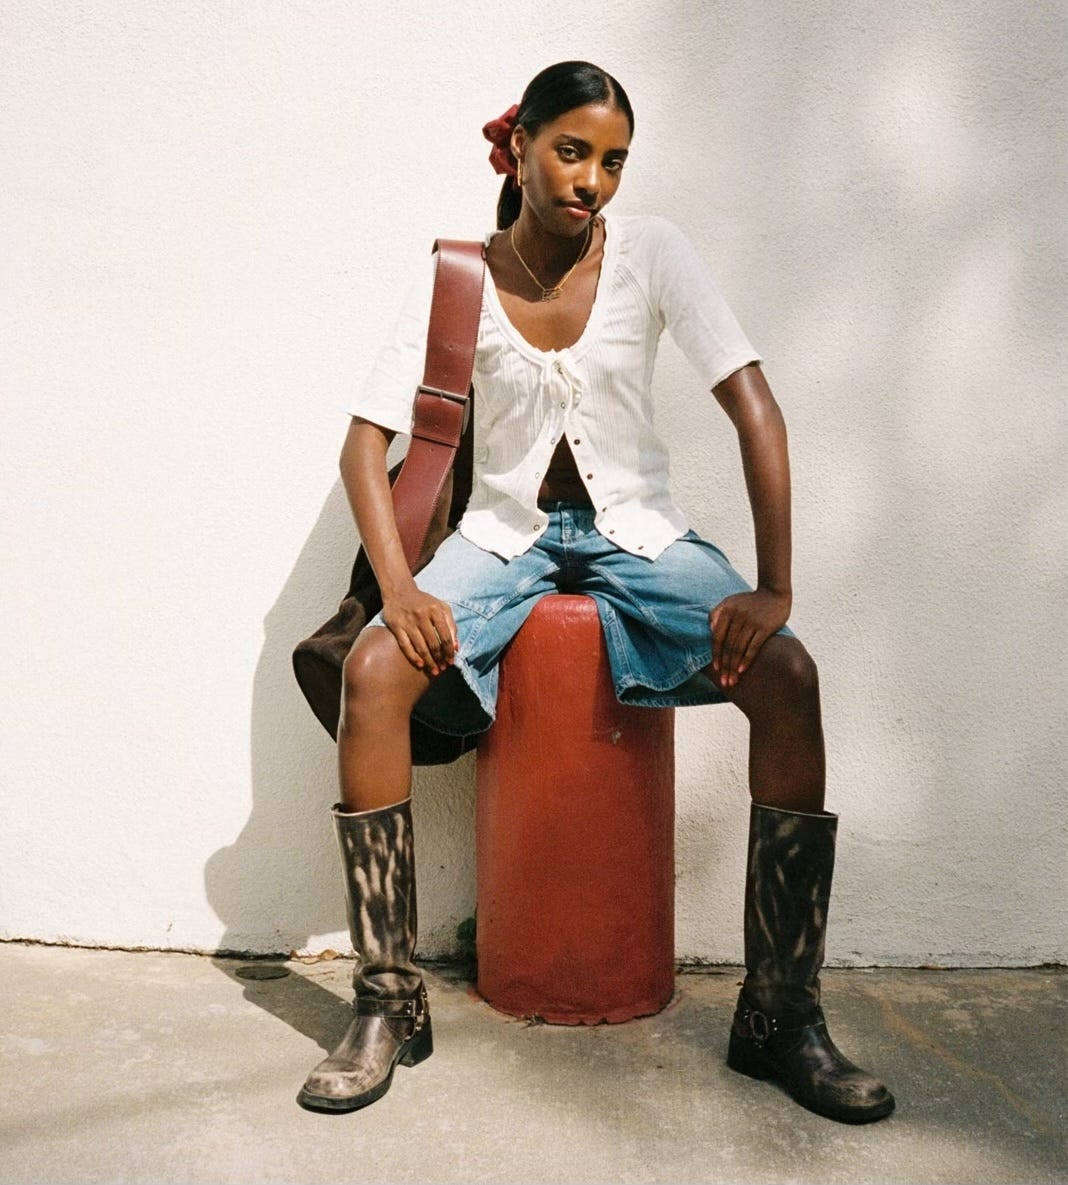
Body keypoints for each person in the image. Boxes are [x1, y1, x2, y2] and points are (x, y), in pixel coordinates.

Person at [297, 60, 894, 1124]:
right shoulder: (460, 275)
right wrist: (400, 587)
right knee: (377, 673)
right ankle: (389, 1003)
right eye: (572, 151)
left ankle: (781, 1014)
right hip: (503, 537)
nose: (593, 180)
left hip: (639, 535)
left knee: (790, 678)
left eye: (613, 159)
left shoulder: (653, 252)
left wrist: (776, 584)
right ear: (517, 146)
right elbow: (362, 445)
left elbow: (755, 404)